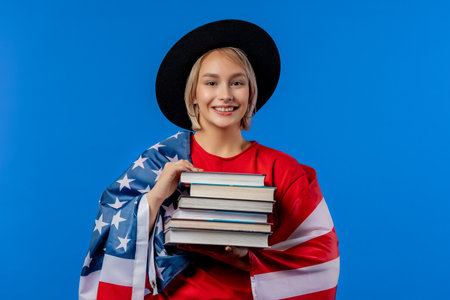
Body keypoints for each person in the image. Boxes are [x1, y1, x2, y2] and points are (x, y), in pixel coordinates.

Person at [79, 20, 339, 300]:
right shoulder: (159, 163)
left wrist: (247, 258)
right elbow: (110, 235)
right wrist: (155, 197)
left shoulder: (284, 170)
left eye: (237, 82)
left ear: (251, 91)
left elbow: (317, 258)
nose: (225, 95)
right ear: (193, 94)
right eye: (211, 82)